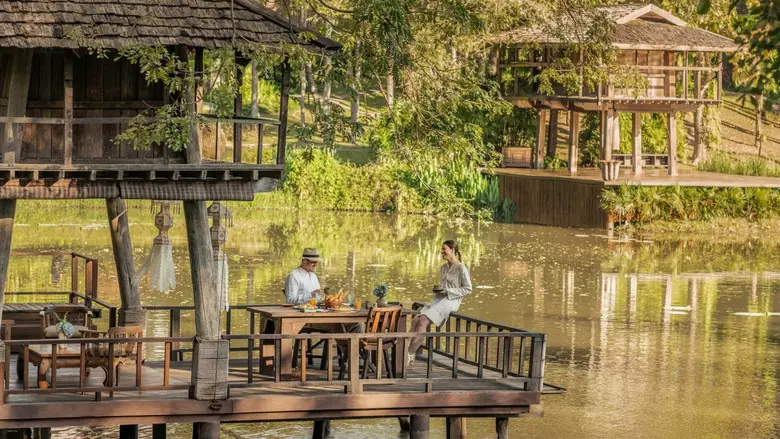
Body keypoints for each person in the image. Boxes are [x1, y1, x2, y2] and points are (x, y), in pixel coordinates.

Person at [407, 240, 472, 364]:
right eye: (442, 249)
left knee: (423, 320)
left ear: (452, 250)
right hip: (439, 299)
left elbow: (468, 289)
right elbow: (443, 286)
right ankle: (405, 352)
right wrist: (439, 290)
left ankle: (410, 353)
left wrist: (447, 291)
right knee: (415, 320)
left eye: (444, 249)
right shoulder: (443, 268)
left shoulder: (461, 268)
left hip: (451, 301)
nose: (441, 252)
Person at [283, 247, 362, 334]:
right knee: (338, 325)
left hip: (319, 313)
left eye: (317, 262)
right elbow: (290, 300)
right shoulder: (294, 276)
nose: (316, 264)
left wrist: (326, 299)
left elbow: (318, 299)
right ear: (304, 261)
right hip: (303, 318)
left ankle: (359, 343)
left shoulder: (313, 276)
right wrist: (310, 294)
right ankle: (346, 343)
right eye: (313, 262)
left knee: (355, 323)